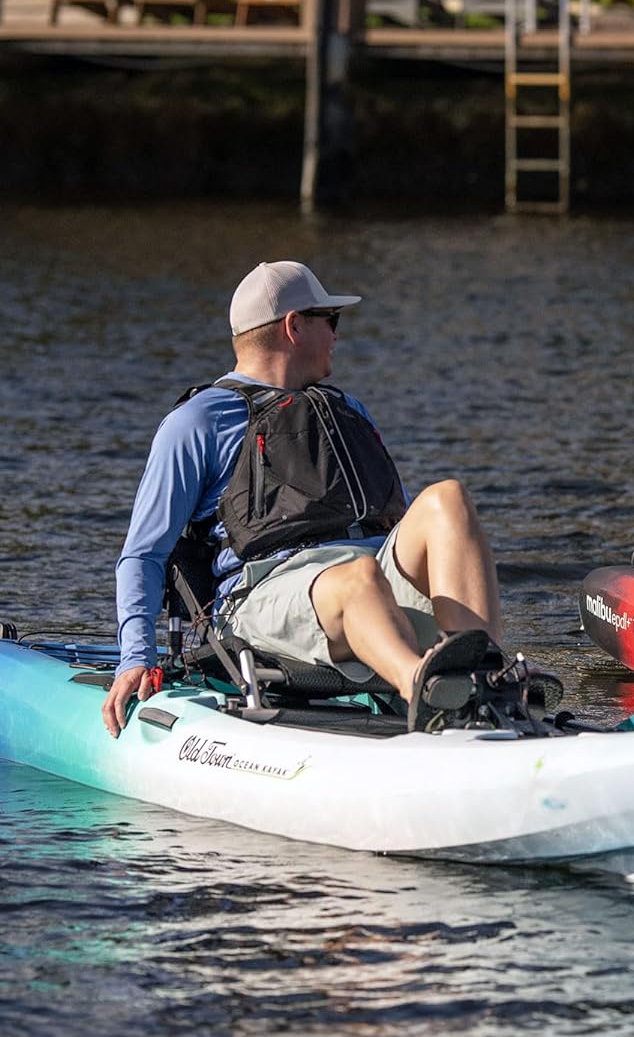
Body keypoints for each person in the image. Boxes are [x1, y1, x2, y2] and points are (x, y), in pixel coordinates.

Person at [103, 260, 503, 737]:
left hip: (372, 581)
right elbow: (144, 554)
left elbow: (405, 525)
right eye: (330, 319)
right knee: (358, 578)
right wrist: (136, 658)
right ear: (294, 326)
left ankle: (486, 678)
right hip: (266, 594)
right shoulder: (198, 422)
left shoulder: (349, 410)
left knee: (447, 499)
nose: (337, 334)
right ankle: (428, 693)